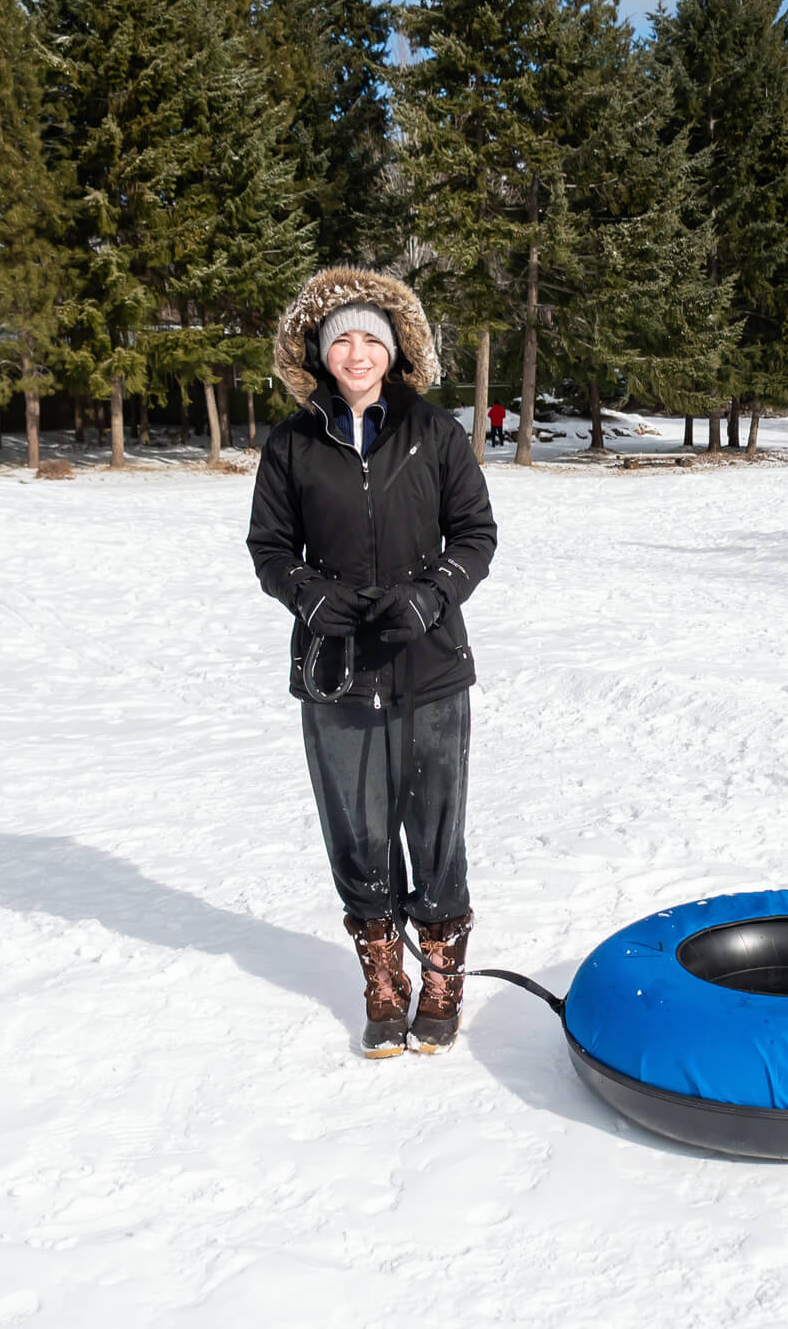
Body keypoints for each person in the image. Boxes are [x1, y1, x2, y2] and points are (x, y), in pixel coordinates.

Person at [247, 267, 498, 1058]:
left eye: (370, 339)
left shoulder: (436, 432)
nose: (356, 353)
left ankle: (443, 974)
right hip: (337, 669)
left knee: (435, 824)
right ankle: (383, 978)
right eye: (342, 340)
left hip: (429, 662)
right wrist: (307, 596)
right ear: (322, 355)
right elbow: (270, 547)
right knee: (356, 829)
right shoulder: (291, 443)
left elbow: (475, 534)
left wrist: (435, 594)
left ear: (393, 352)